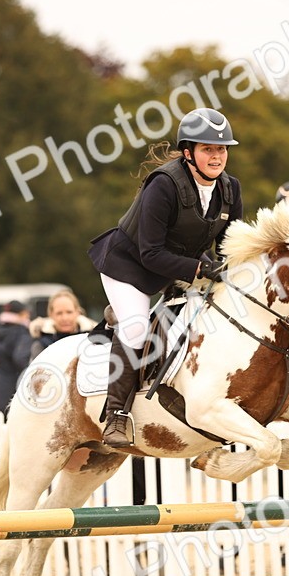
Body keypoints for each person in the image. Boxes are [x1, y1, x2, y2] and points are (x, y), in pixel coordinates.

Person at [88, 107, 243, 446]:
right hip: (129, 268)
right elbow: (151, 253)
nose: (217, 156)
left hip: (180, 263)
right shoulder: (163, 185)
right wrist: (202, 269)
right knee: (137, 326)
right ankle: (117, 413)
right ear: (188, 152)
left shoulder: (230, 189)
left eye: (221, 149)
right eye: (208, 149)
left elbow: (230, 246)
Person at [0, 300, 32, 415]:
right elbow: (21, 359)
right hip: (12, 393)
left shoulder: (0, 331)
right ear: (21, 314)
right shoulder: (22, 332)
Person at [29, 289, 95, 363]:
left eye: (69, 312)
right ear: (51, 315)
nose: (65, 318)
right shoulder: (41, 344)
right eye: (59, 313)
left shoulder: (92, 339)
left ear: (78, 312)